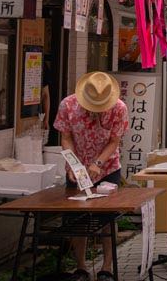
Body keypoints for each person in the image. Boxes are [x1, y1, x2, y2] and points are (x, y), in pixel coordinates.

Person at [54, 71, 129, 281]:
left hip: (108, 168)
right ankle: (81, 268)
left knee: (107, 218)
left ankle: (107, 268)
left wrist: (98, 163)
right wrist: (73, 164)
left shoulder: (119, 108)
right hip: (76, 169)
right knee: (77, 217)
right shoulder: (67, 105)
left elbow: (114, 141)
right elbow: (66, 138)